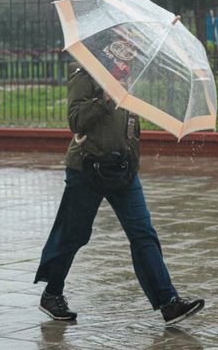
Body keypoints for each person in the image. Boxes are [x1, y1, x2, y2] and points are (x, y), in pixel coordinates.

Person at [34, 59, 204, 326]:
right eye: (121, 39)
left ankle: (168, 303)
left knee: (143, 232)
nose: (127, 46)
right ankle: (52, 293)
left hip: (123, 170)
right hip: (87, 168)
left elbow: (129, 123)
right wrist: (106, 97)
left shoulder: (129, 75)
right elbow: (76, 120)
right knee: (73, 234)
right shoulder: (85, 72)